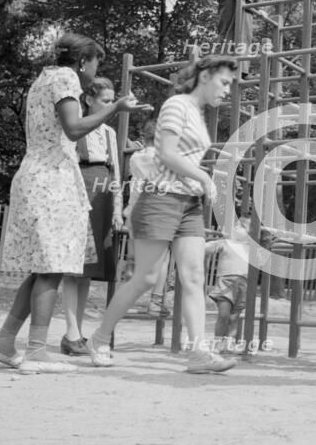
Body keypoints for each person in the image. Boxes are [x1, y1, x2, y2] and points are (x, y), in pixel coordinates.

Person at [0, 33, 149, 374]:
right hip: (51, 180)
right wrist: (114, 109)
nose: (94, 72)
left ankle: (3, 342)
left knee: (45, 267)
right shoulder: (66, 77)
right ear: (83, 61)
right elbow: (73, 129)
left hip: (40, 175)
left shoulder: (44, 78)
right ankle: (37, 352)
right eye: (95, 64)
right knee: (53, 267)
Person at [87, 55, 238, 374]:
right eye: (224, 82)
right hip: (160, 200)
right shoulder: (177, 105)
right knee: (147, 277)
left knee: (194, 276)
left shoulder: (197, 113)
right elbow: (167, 154)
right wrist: (204, 177)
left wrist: (197, 182)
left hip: (189, 205)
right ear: (206, 75)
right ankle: (99, 339)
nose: (227, 90)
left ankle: (198, 353)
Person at [60, 77, 124, 356]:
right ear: (89, 100)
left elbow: (117, 172)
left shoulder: (109, 133)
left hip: (103, 192)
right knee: (74, 268)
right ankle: (71, 333)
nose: (109, 106)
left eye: (112, 101)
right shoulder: (76, 128)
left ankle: (76, 334)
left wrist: (118, 208)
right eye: (105, 101)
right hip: (80, 189)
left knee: (88, 269)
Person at [123, 120, 171, 317]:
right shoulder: (165, 158)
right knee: (162, 258)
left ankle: (125, 300)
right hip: (155, 213)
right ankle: (155, 302)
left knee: (132, 258)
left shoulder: (135, 157)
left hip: (134, 213)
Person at [206, 215, 251, 354]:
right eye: (236, 225)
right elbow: (205, 248)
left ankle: (229, 344)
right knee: (224, 314)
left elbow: (265, 259)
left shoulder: (252, 247)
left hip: (243, 284)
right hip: (225, 283)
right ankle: (218, 342)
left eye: (242, 226)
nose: (237, 228)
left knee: (234, 317)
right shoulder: (226, 242)